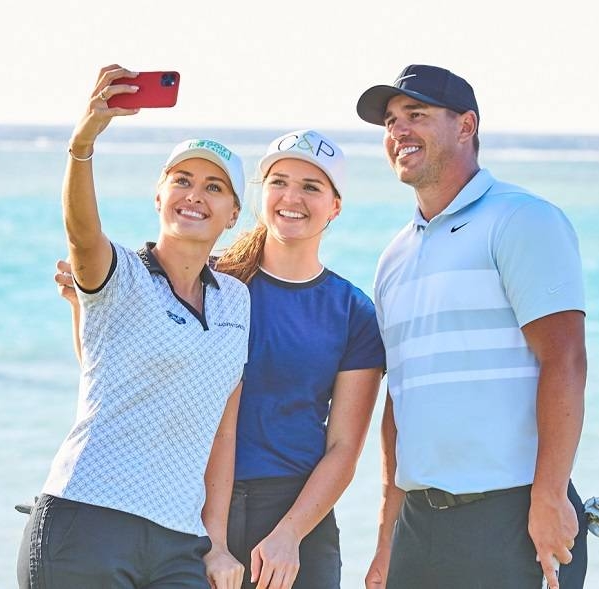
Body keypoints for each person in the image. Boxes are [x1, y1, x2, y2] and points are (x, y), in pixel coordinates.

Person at [56, 129, 384, 588]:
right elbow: (119, 368)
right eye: (279, 182)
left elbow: (344, 448)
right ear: (256, 196)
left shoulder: (353, 311)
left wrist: (290, 533)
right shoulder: (215, 287)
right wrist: (84, 306)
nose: (292, 197)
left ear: (335, 206)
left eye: (311, 187)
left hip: (298, 517)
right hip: (195, 511)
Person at [355, 65, 588, 589]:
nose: (398, 132)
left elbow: (566, 359)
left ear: (466, 126)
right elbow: (402, 396)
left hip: (514, 515)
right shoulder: (393, 256)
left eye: (416, 115)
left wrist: (549, 498)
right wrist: (387, 533)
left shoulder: (522, 219)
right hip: (419, 526)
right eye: (391, 122)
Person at [18, 64, 250, 589]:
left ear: (233, 213)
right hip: (86, 522)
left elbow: (223, 430)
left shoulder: (238, 302)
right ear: (159, 195)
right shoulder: (117, 272)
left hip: (178, 542)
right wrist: (83, 144)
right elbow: (82, 234)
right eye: (182, 180)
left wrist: (216, 543)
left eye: (214, 187)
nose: (195, 194)